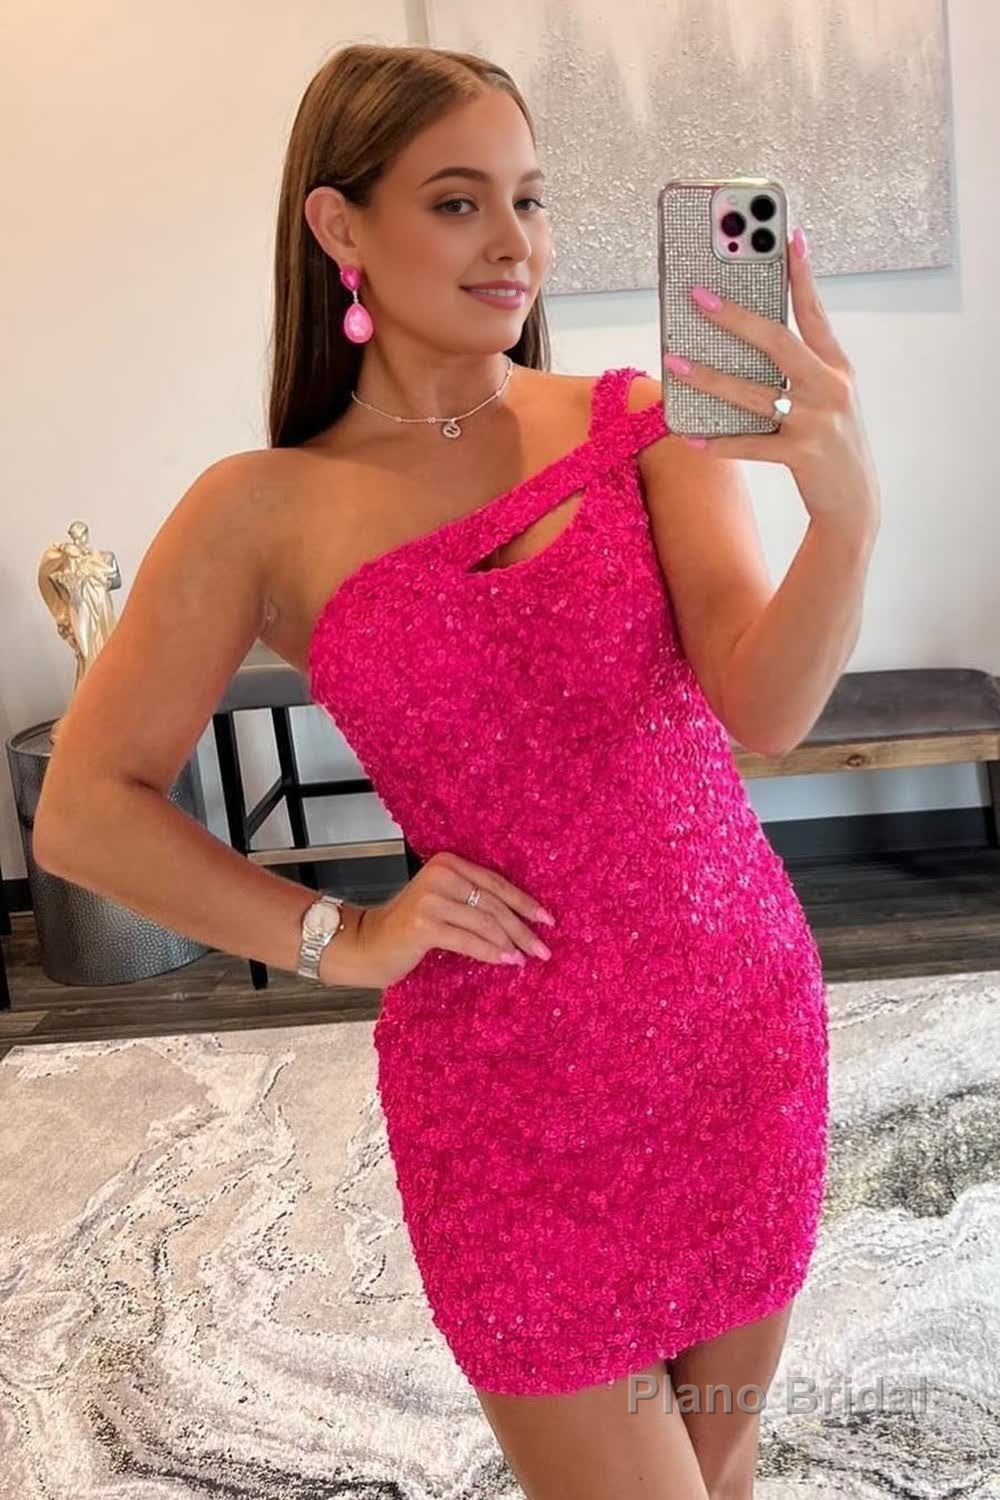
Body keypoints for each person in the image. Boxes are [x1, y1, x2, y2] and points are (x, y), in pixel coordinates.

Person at [34, 41, 880, 1500]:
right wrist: (343, 935)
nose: (515, 243)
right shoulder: (262, 509)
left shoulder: (639, 425)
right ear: (339, 226)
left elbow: (768, 709)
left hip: (734, 1034)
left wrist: (846, 519)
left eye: (531, 199)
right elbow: (84, 810)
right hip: (508, 1095)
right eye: (457, 201)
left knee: (719, 1469)